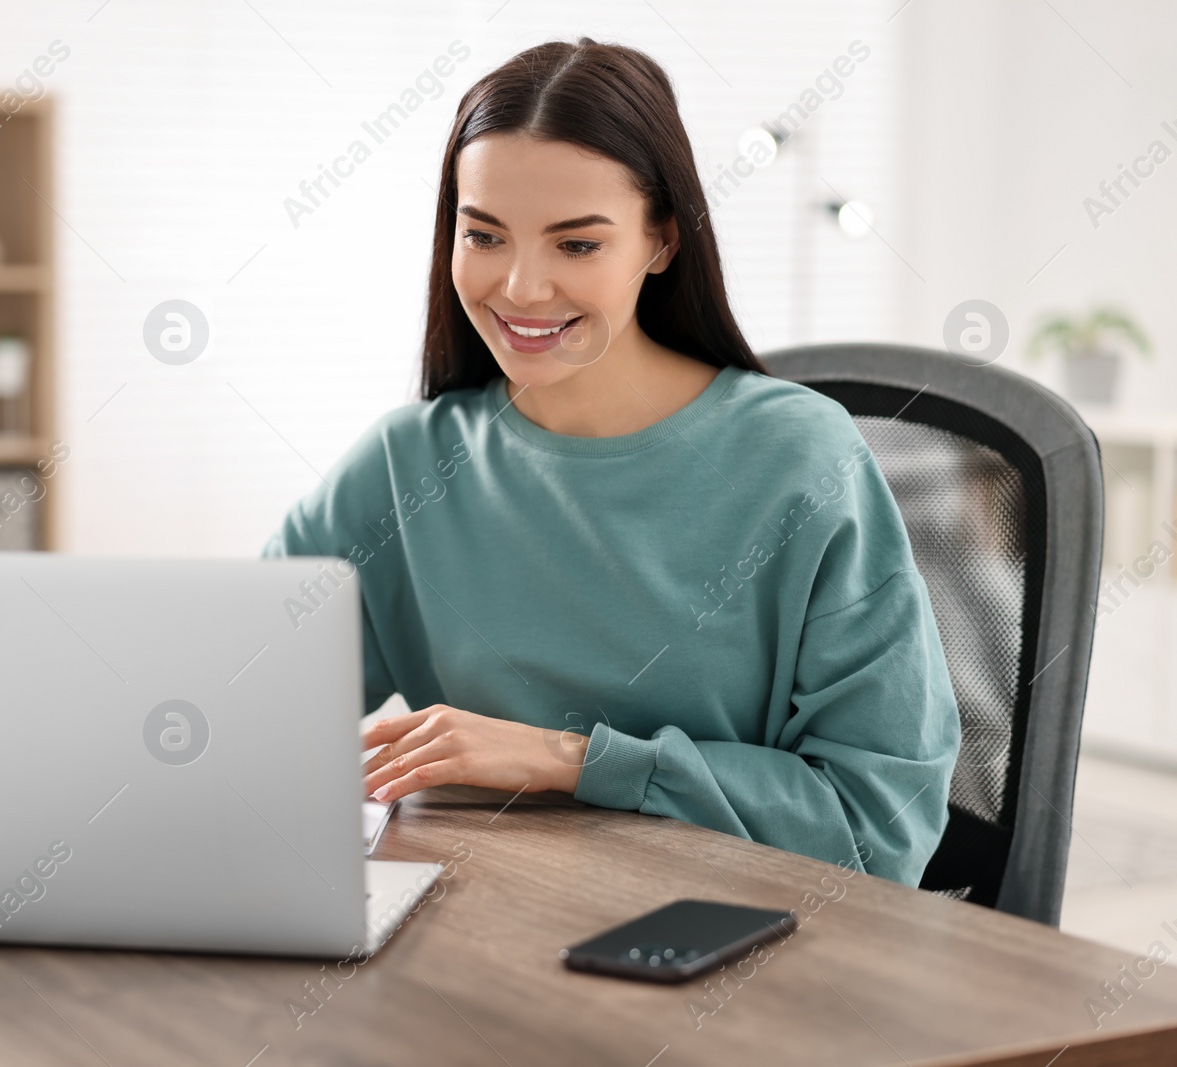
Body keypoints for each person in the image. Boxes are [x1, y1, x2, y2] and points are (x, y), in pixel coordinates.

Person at [262, 37, 960, 886]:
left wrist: (573, 759)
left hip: (736, 948)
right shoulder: (408, 462)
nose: (519, 287)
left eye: (577, 245)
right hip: (494, 928)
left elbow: (877, 827)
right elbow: (242, 707)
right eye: (484, 234)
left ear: (662, 240)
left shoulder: (799, 459)